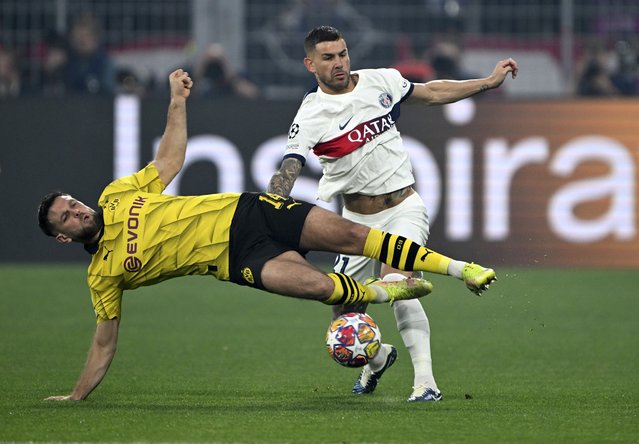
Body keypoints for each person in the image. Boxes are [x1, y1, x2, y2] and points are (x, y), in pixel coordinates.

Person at [38, 69, 495, 401]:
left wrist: (177, 101)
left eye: (73, 203)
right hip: (236, 260)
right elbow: (104, 340)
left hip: (249, 210)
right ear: (63, 237)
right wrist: (76, 396)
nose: (77, 211)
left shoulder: (117, 194)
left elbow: (168, 163)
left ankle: (451, 292)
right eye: (66, 217)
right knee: (324, 291)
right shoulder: (103, 276)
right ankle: (380, 324)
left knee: (355, 238)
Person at [267, 26, 515, 402]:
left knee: (399, 281)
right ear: (310, 64)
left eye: (343, 54)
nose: (339, 63)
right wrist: (272, 204)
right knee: (343, 319)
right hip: (355, 224)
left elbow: (431, 92)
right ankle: (379, 358)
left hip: (402, 207)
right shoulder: (312, 112)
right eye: (329, 58)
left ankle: (426, 383)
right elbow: (290, 166)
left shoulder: (380, 81)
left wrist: (488, 82)